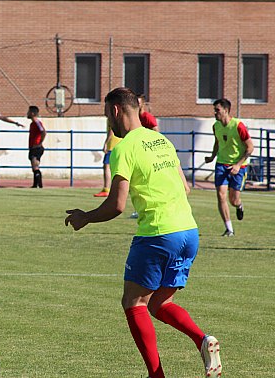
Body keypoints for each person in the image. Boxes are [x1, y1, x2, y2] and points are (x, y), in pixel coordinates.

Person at [65, 87, 222, 378]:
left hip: (158, 234)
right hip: (189, 231)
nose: (108, 123)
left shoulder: (123, 148)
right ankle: (203, 340)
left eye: (106, 115)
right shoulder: (161, 140)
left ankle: (156, 375)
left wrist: (85, 217)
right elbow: (184, 186)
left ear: (115, 111)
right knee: (160, 302)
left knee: (134, 302)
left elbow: (117, 205)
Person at [204, 98, 253, 237]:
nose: (215, 113)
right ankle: (229, 229)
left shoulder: (238, 126)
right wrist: (212, 157)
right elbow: (217, 142)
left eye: (217, 110)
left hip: (239, 166)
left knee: (234, 200)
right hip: (221, 164)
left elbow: (250, 147)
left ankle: (239, 205)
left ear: (226, 110)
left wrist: (238, 165)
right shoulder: (216, 126)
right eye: (214, 110)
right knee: (220, 195)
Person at [129, 94, 160, 218]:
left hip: (148, 153)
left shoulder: (147, 117)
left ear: (142, 104)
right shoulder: (135, 118)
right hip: (138, 152)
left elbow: (157, 133)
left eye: (139, 102)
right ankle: (139, 209)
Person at [94, 125, 121, 197]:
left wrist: (106, 143)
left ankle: (106, 189)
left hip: (112, 146)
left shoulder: (111, 116)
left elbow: (112, 130)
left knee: (107, 166)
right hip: (120, 144)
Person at [27, 105, 45, 188]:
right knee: (35, 166)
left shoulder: (37, 122)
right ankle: (38, 184)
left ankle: (37, 185)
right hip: (33, 147)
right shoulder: (32, 124)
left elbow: (43, 131)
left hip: (36, 147)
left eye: (29, 112)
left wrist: (40, 142)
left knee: (35, 166)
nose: (27, 113)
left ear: (32, 113)